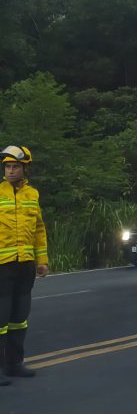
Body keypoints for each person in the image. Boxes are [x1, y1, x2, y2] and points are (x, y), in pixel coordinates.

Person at [0, 145, 48, 385]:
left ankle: (14, 364)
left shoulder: (33, 195)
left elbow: (39, 229)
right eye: (7, 167)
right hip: (2, 265)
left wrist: (42, 261)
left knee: (20, 317)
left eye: (15, 167)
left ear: (24, 168)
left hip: (25, 265)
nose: (10, 171)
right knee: (1, 318)